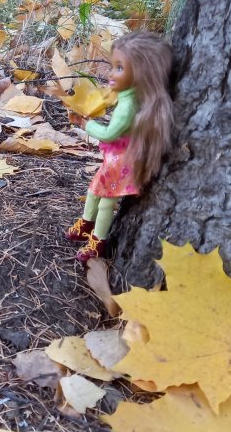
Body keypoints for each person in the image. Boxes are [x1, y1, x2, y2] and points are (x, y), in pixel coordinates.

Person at [65, 31, 174, 263]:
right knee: (94, 190)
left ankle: (98, 241)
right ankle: (86, 223)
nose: (111, 74)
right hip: (116, 159)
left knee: (106, 202)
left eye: (119, 68)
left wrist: (86, 124)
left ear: (141, 73)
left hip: (122, 162)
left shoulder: (128, 105)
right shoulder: (130, 98)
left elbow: (111, 133)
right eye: (113, 66)